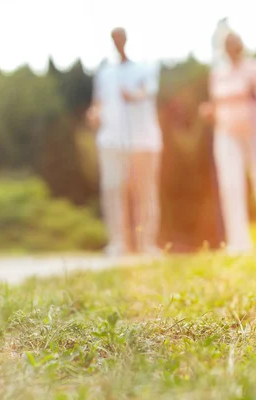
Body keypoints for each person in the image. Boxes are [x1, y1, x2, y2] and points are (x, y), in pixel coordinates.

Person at [199, 30, 256, 254]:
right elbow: (215, 103)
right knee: (230, 186)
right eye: (227, 42)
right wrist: (209, 111)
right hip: (227, 134)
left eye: (235, 41)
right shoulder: (218, 73)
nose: (232, 46)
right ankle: (238, 243)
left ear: (241, 44)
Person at [86, 27, 162, 257]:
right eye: (114, 39)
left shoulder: (145, 67)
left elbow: (147, 92)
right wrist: (94, 114)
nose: (117, 42)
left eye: (121, 38)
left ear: (127, 40)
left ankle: (146, 244)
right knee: (112, 190)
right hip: (111, 140)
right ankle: (118, 243)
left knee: (145, 192)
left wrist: (134, 96)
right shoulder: (105, 72)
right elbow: (98, 102)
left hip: (143, 140)